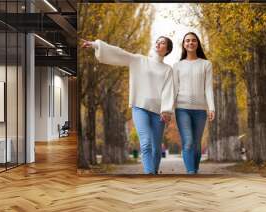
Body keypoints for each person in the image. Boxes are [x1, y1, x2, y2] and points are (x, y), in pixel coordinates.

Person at [81, 36, 175, 174]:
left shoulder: (168, 69)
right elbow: (119, 53)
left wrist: (166, 110)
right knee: (146, 143)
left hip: (158, 112)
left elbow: (169, 90)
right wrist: (96, 45)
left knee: (156, 148)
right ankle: (149, 175)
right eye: (157, 41)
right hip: (140, 107)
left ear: (167, 50)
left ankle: (154, 173)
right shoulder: (139, 60)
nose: (158, 44)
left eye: (162, 43)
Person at [173, 32, 215, 174]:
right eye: (187, 41)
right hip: (182, 108)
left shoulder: (206, 64)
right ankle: (191, 173)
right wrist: (167, 109)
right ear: (184, 45)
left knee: (197, 144)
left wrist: (211, 108)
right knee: (189, 142)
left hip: (200, 110)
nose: (190, 43)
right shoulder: (177, 66)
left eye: (193, 40)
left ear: (197, 43)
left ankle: (194, 171)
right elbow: (174, 89)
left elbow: (208, 87)